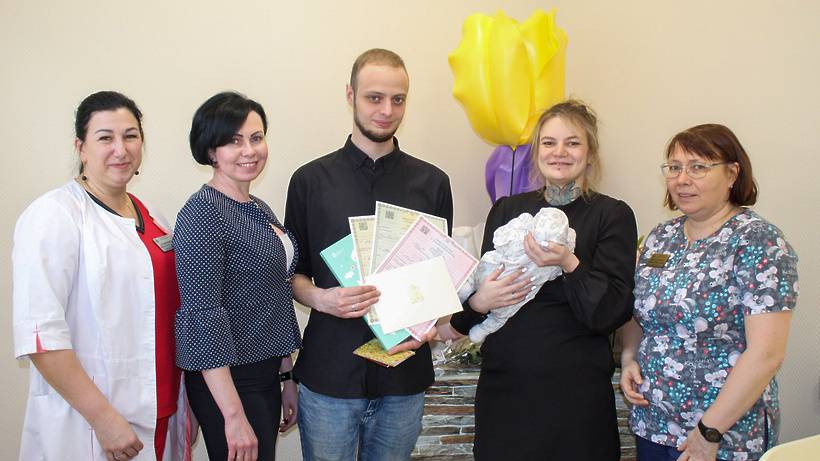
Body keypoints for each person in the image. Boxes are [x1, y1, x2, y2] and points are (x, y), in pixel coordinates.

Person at [439, 100, 637, 460]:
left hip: (576, 397)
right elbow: (477, 302)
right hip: (506, 390)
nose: (559, 152)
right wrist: (480, 302)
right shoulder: (506, 210)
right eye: (549, 142)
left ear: (590, 154)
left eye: (572, 143)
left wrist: (569, 262)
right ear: (536, 152)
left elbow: (610, 313)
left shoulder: (612, 215)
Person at [284, 48, 453, 460]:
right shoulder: (309, 181)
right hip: (330, 375)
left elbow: (439, 279)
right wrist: (321, 298)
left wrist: (432, 321)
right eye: (374, 97)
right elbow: (292, 274)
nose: (386, 110)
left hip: (404, 377)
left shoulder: (433, 183)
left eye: (398, 99)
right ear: (350, 95)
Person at [12, 91, 192, 460]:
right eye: (105, 137)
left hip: (161, 408)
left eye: (130, 136)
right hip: (94, 423)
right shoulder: (54, 215)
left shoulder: (152, 215)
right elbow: (42, 336)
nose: (120, 150)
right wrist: (103, 418)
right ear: (81, 148)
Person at [619, 124, 798, 461]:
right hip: (653, 423)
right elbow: (638, 308)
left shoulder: (758, 241)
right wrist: (630, 357)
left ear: (732, 174)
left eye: (698, 167)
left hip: (722, 436)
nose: (682, 179)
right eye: (674, 167)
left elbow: (767, 353)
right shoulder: (661, 237)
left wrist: (709, 431)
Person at [174, 92, 301, 461]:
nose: (249, 150)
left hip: (263, 373)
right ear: (211, 151)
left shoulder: (257, 207)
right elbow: (202, 318)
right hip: (229, 382)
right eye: (233, 140)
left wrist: (285, 375)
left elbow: (273, 295)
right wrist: (232, 416)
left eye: (256, 138)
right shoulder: (202, 213)